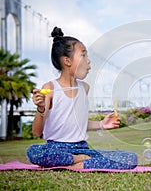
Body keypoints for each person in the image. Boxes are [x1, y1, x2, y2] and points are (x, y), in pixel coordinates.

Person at [26, 27, 138, 169]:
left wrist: (102, 124)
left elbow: (77, 124)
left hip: (83, 148)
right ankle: (79, 161)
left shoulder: (84, 88)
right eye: (83, 55)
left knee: (130, 158)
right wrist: (41, 108)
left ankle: (73, 163)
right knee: (33, 152)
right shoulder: (50, 88)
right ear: (67, 61)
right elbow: (36, 132)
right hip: (55, 148)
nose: (88, 61)